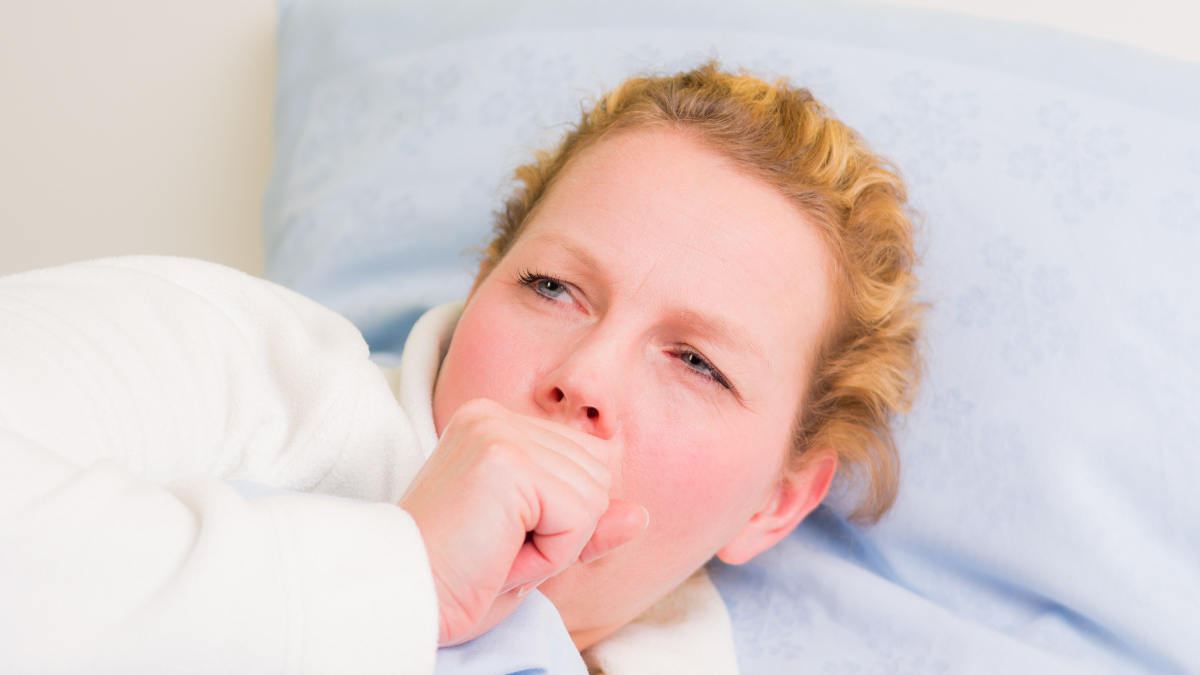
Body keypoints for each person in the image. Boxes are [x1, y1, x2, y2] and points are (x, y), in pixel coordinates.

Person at [0, 62, 921, 673]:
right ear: (484, 284)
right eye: (554, 286)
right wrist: (405, 576)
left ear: (778, 502)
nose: (586, 377)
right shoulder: (236, 365)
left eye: (694, 361)